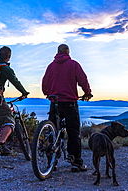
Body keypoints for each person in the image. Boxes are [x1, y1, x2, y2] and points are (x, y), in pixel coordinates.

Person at [42, 44, 93, 172]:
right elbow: (83, 79)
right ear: (68, 52)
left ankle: (51, 162)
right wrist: (87, 92)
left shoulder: (51, 66)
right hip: (70, 102)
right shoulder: (74, 64)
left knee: (53, 131)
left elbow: (44, 83)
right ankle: (76, 162)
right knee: (73, 132)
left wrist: (48, 93)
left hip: (55, 102)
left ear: (57, 52)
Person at [0, 46, 29, 155]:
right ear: (9, 57)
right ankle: (2, 143)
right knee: (9, 119)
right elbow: (15, 82)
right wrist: (24, 92)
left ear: (0, 55)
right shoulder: (5, 68)